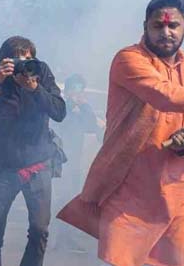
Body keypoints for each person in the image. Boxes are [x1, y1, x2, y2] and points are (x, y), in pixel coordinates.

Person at [58, 0, 184, 266]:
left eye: (173, 25)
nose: (166, 32)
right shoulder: (128, 59)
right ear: (145, 26)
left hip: (180, 195)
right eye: (158, 25)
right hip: (131, 192)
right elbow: (164, 95)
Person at [0, 36, 66, 266]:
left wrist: (34, 88)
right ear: (3, 61)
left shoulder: (40, 72)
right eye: (16, 60)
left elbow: (59, 112)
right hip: (4, 164)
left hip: (38, 163)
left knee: (39, 229)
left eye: (27, 59)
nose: (22, 65)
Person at [51, 73, 101, 253]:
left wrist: (84, 107)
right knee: (61, 199)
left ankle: (67, 238)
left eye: (80, 90)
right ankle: (58, 238)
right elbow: (56, 125)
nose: (77, 94)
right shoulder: (60, 106)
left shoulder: (83, 109)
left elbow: (92, 126)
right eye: (74, 90)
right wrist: (71, 108)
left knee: (72, 199)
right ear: (67, 91)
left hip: (75, 162)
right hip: (59, 161)